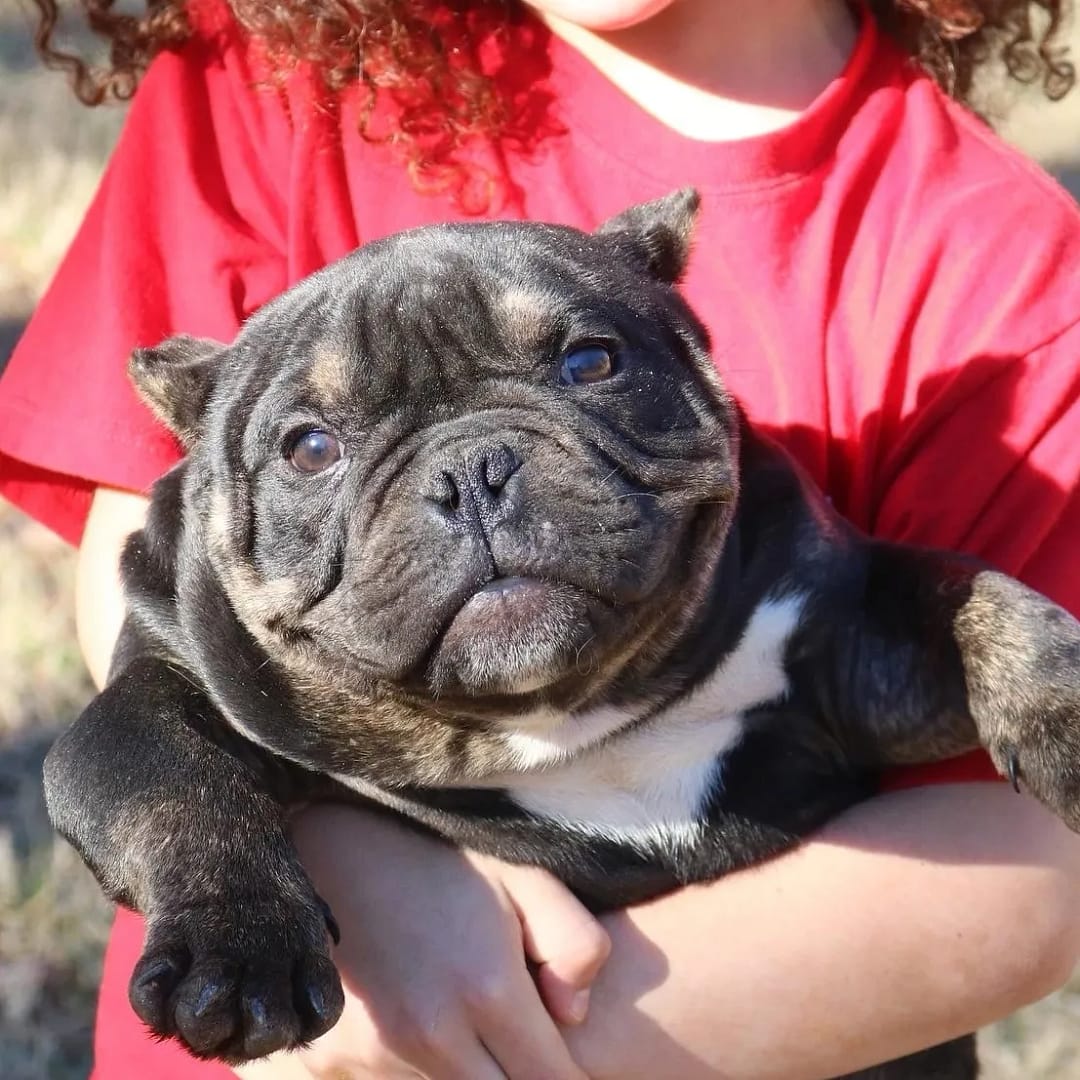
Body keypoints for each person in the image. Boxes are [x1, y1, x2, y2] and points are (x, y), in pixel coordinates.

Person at [4, 0, 1080, 1076]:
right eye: (315, 449)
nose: (473, 487)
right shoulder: (273, 72)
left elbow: (1032, 866)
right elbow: (139, 669)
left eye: (586, 366)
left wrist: (478, 1042)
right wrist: (299, 881)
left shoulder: (999, 270)